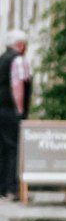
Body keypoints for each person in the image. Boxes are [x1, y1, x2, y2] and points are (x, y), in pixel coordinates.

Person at [0, 29, 31, 200]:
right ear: (20, 45)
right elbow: (17, 85)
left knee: (3, 148)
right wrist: (19, 111)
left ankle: (2, 187)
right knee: (13, 148)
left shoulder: (2, 59)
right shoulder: (18, 60)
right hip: (10, 110)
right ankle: (11, 188)